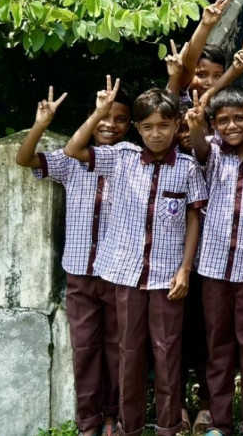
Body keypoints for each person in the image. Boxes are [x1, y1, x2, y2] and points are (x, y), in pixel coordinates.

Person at [61, 80, 207, 436]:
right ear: (137, 129)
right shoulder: (120, 157)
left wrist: (186, 269)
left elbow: (193, 217)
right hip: (125, 276)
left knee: (167, 353)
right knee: (128, 354)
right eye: (147, 127)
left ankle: (168, 425)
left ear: (176, 127)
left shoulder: (187, 168)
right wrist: (98, 111)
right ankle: (130, 427)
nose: (156, 134)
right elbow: (73, 148)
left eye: (163, 126)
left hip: (167, 278)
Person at [15, 86, 132, 436]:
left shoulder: (131, 158)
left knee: (118, 348)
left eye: (120, 119)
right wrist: (41, 124)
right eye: (104, 117)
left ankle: (113, 417)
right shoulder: (69, 162)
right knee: (84, 350)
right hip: (79, 272)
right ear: (91, 118)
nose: (111, 125)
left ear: (130, 125)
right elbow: (24, 158)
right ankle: (88, 422)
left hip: (118, 271)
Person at [185, 86, 243, 436]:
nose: (232, 125)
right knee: (217, 346)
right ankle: (220, 422)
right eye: (223, 121)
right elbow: (200, 146)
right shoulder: (213, 154)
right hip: (215, 268)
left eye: (239, 118)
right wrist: (195, 126)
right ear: (214, 125)